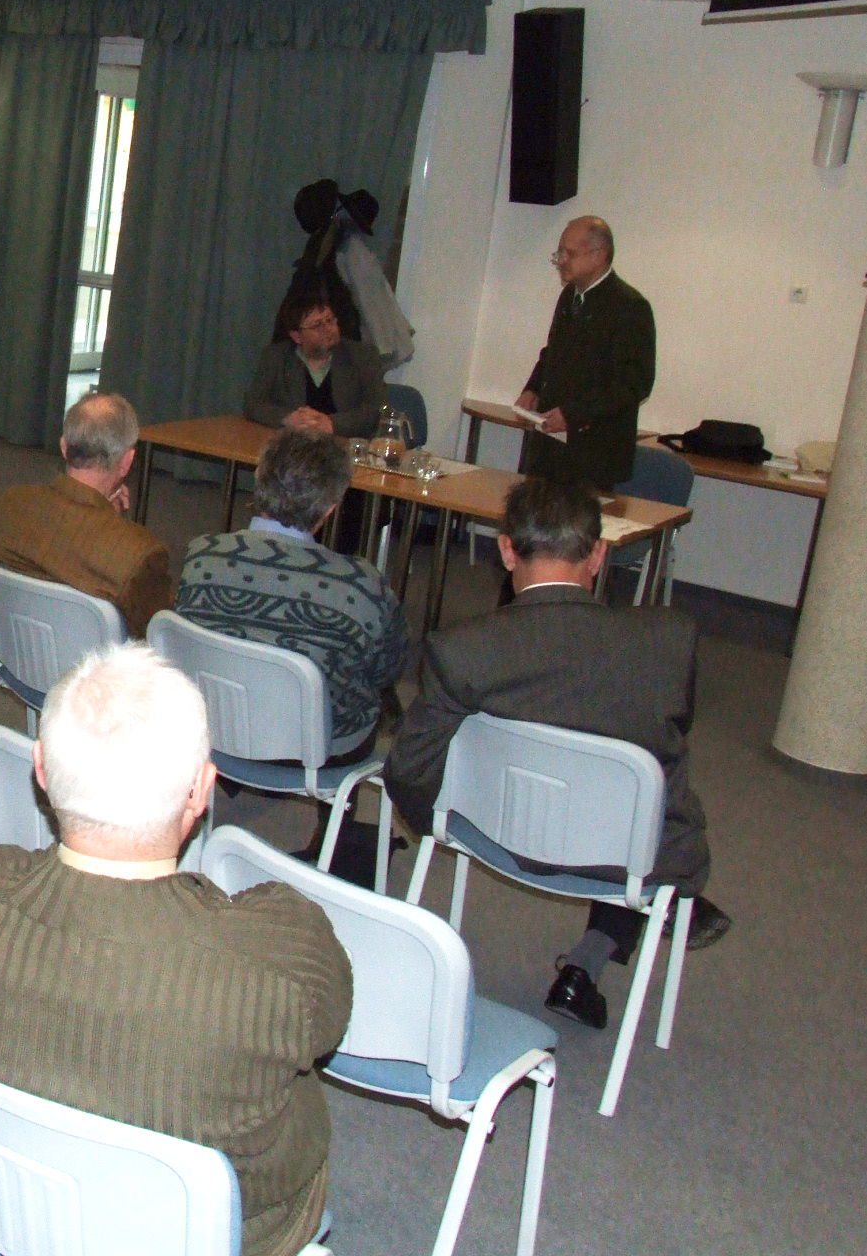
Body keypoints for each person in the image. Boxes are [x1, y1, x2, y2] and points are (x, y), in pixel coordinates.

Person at [0, 644, 352, 1256]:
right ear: (201, 789)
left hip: (10, 1203)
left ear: (39, 768)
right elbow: (327, 1025)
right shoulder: (272, 966)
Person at [386, 478, 731, 1031]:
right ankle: (597, 954)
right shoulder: (666, 641)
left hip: (491, 833)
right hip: (626, 855)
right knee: (651, 789)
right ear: (598, 554)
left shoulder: (462, 649)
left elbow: (408, 769)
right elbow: (670, 739)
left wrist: (444, 823)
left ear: (506, 551)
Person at [178, 427, 406, 760]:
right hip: (318, 752)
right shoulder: (361, 586)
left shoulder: (201, 558)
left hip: (217, 731)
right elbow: (387, 669)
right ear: (330, 508)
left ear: (258, 480)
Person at [0, 391, 171, 638]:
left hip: (17, 649)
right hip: (93, 663)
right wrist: (113, 523)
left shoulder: (9, 504)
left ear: (64, 446)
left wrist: (108, 516)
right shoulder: (141, 552)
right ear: (127, 461)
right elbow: (156, 636)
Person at [515, 215, 655, 489]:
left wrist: (572, 414)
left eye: (569, 253)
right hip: (550, 448)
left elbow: (633, 384)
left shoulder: (630, 306)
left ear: (597, 255)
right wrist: (532, 389)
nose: (561, 260)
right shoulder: (569, 296)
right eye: (559, 253)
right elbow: (554, 353)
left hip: (594, 454)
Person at [244, 291, 388, 438]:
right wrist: (287, 418)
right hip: (293, 444)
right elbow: (253, 405)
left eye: (330, 320)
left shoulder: (363, 356)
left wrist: (331, 424)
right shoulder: (276, 357)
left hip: (345, 444)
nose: (328, 329)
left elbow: (376, 409)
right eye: (317, 325)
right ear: (297, 336)